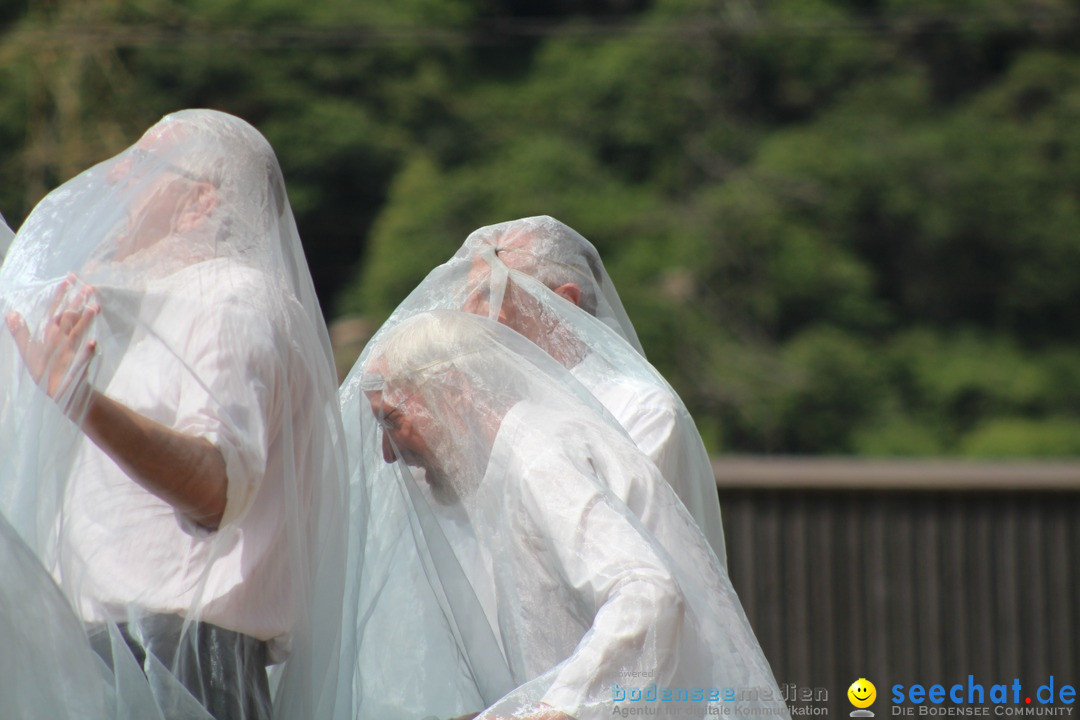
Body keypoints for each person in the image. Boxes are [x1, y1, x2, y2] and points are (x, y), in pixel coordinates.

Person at [0, 110, 354, 720]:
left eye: (140, 165)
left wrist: (84, 405)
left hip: (178, 656)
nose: (115, 182)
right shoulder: (156, 309)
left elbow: (215, 487)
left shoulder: (227, 295)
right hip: (124, 648)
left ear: (197, 204)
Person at [342, 310, 789, 720]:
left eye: (391, 420)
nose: (387, 453)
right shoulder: (512, 459)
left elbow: (647, 593)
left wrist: (560, 708)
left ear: (454, 392)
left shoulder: (539, 457)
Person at [372, 215, 727, 565]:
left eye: (489, 294)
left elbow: (637, 575)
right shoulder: (484, 407)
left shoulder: (640, 411)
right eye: (467, 296)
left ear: (562, 306)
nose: (466, 314)